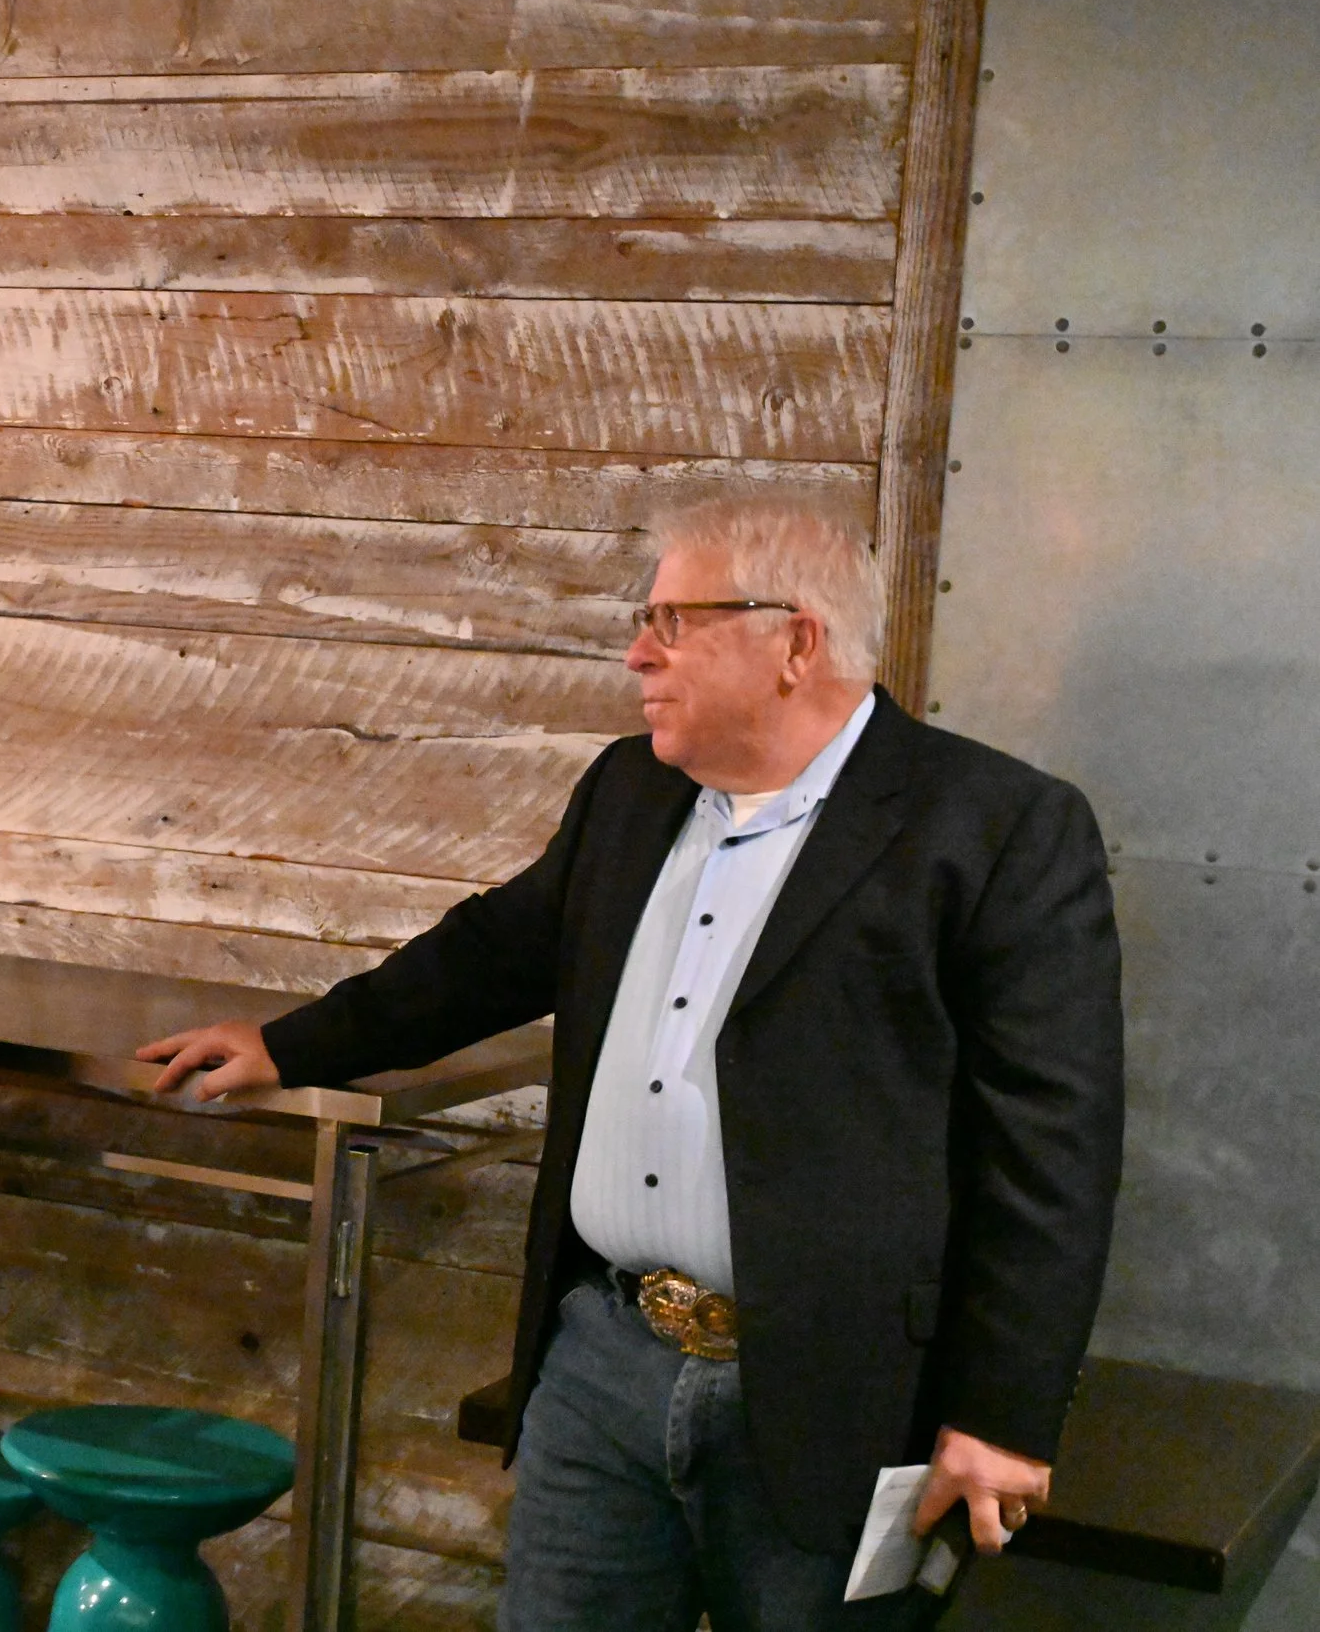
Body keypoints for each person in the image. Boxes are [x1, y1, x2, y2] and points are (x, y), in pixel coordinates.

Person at [140, 503, 1123, 1630]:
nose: (636, 651)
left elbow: (1054, 1146)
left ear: (794, 642)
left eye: (672, 620)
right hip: (603, 1360)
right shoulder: (629, 789)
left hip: (836, 1394)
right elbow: (491, 954)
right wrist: (288, 1043)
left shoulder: (993, 827)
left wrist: (1000, 1416)